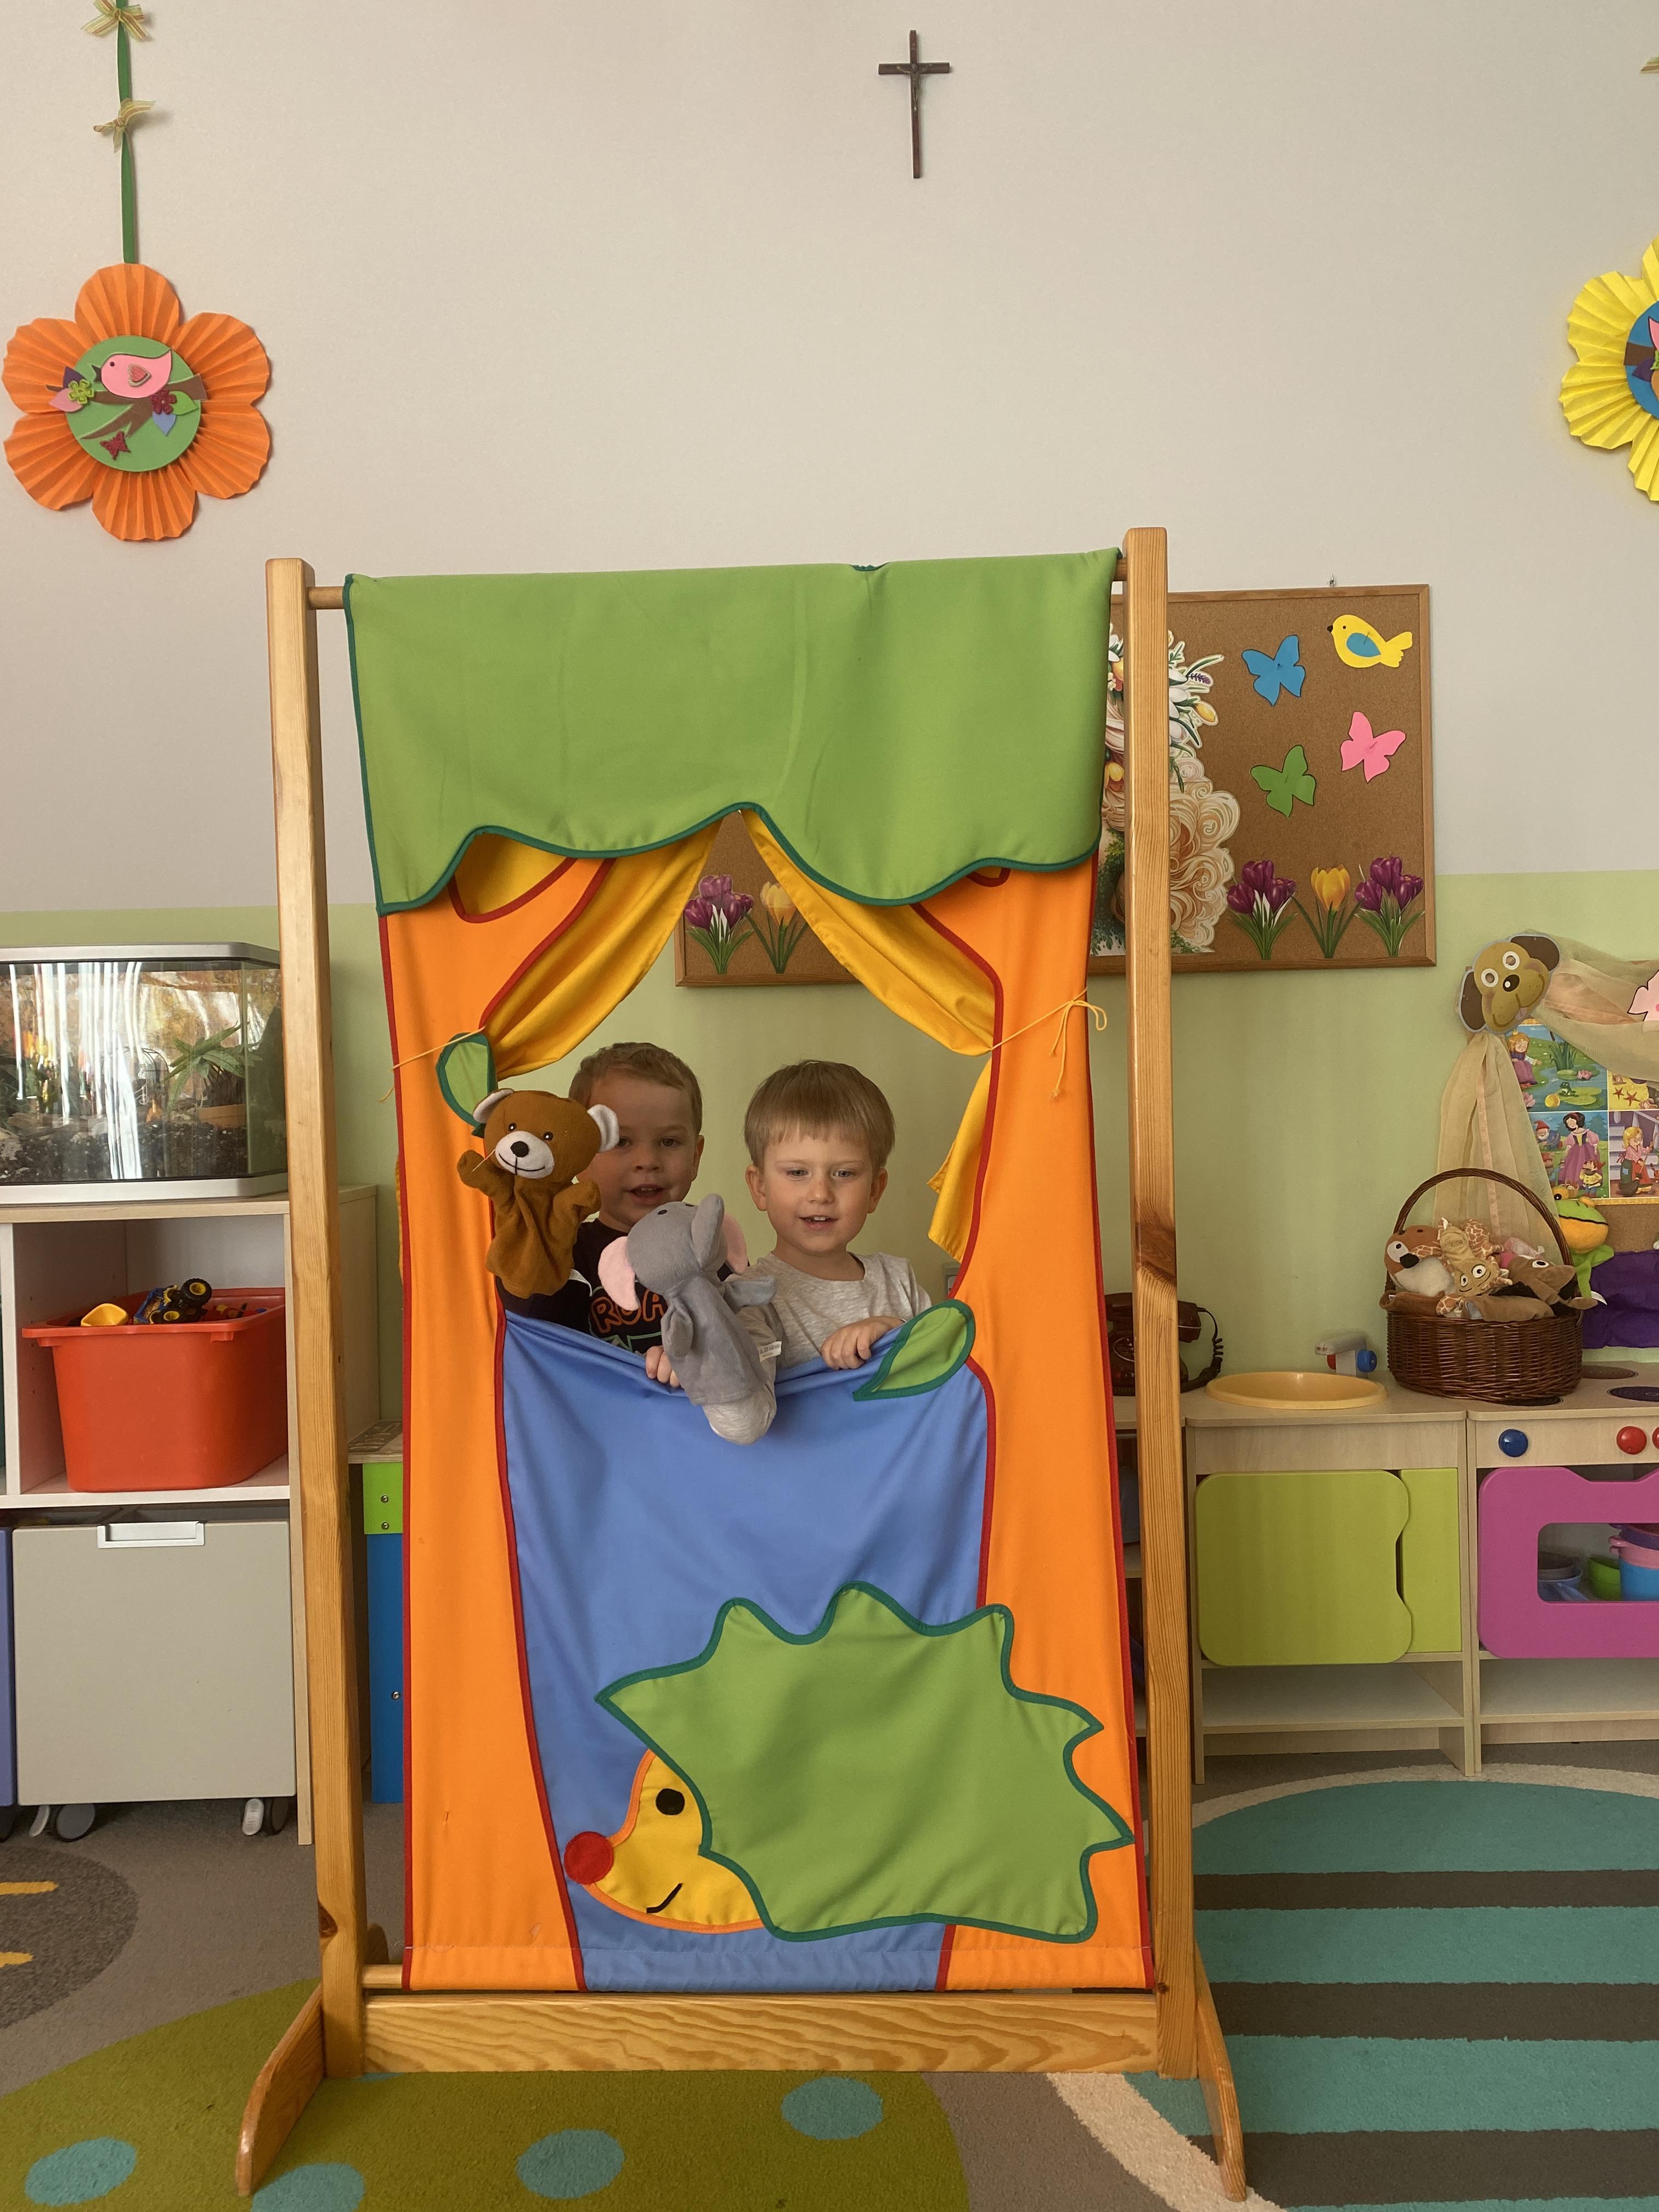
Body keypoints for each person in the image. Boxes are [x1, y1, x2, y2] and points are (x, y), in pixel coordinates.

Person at [511, 1040, 706, 1360]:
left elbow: (745, 1333)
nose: (648, 1161)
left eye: (669, 1142)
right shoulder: (563, 1252)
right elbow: (530, 1341)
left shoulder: (711, 1243)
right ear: (581, 1157)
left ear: (695, 1157)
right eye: (622, 1142)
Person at [735, 1059, 930, 1370]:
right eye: (797, 1172)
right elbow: (736, 1382)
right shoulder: (747, 1295)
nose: (821, 1194)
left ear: (875, 1189)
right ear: (760, 1187)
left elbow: (948, 1367)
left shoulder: (898, 1279)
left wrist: (894, 1330)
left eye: (844, 1173)